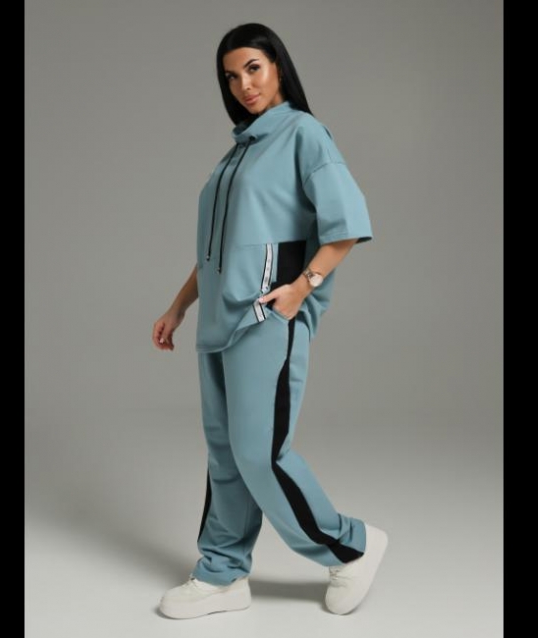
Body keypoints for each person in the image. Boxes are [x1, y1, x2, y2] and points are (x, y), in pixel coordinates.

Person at [152, 22, 388, 618]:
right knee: (226, 455)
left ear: (277, 66)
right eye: (231, 77)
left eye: (253, 68)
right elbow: (219, 250)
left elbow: (347, 224)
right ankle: (222, 572)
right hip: (216, 324)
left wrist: (302, 289)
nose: (243, 85)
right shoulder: (238, 152)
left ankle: (352, 547)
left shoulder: (303, 133)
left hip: (264, 319)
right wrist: (179, 306)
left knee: (260, 453)